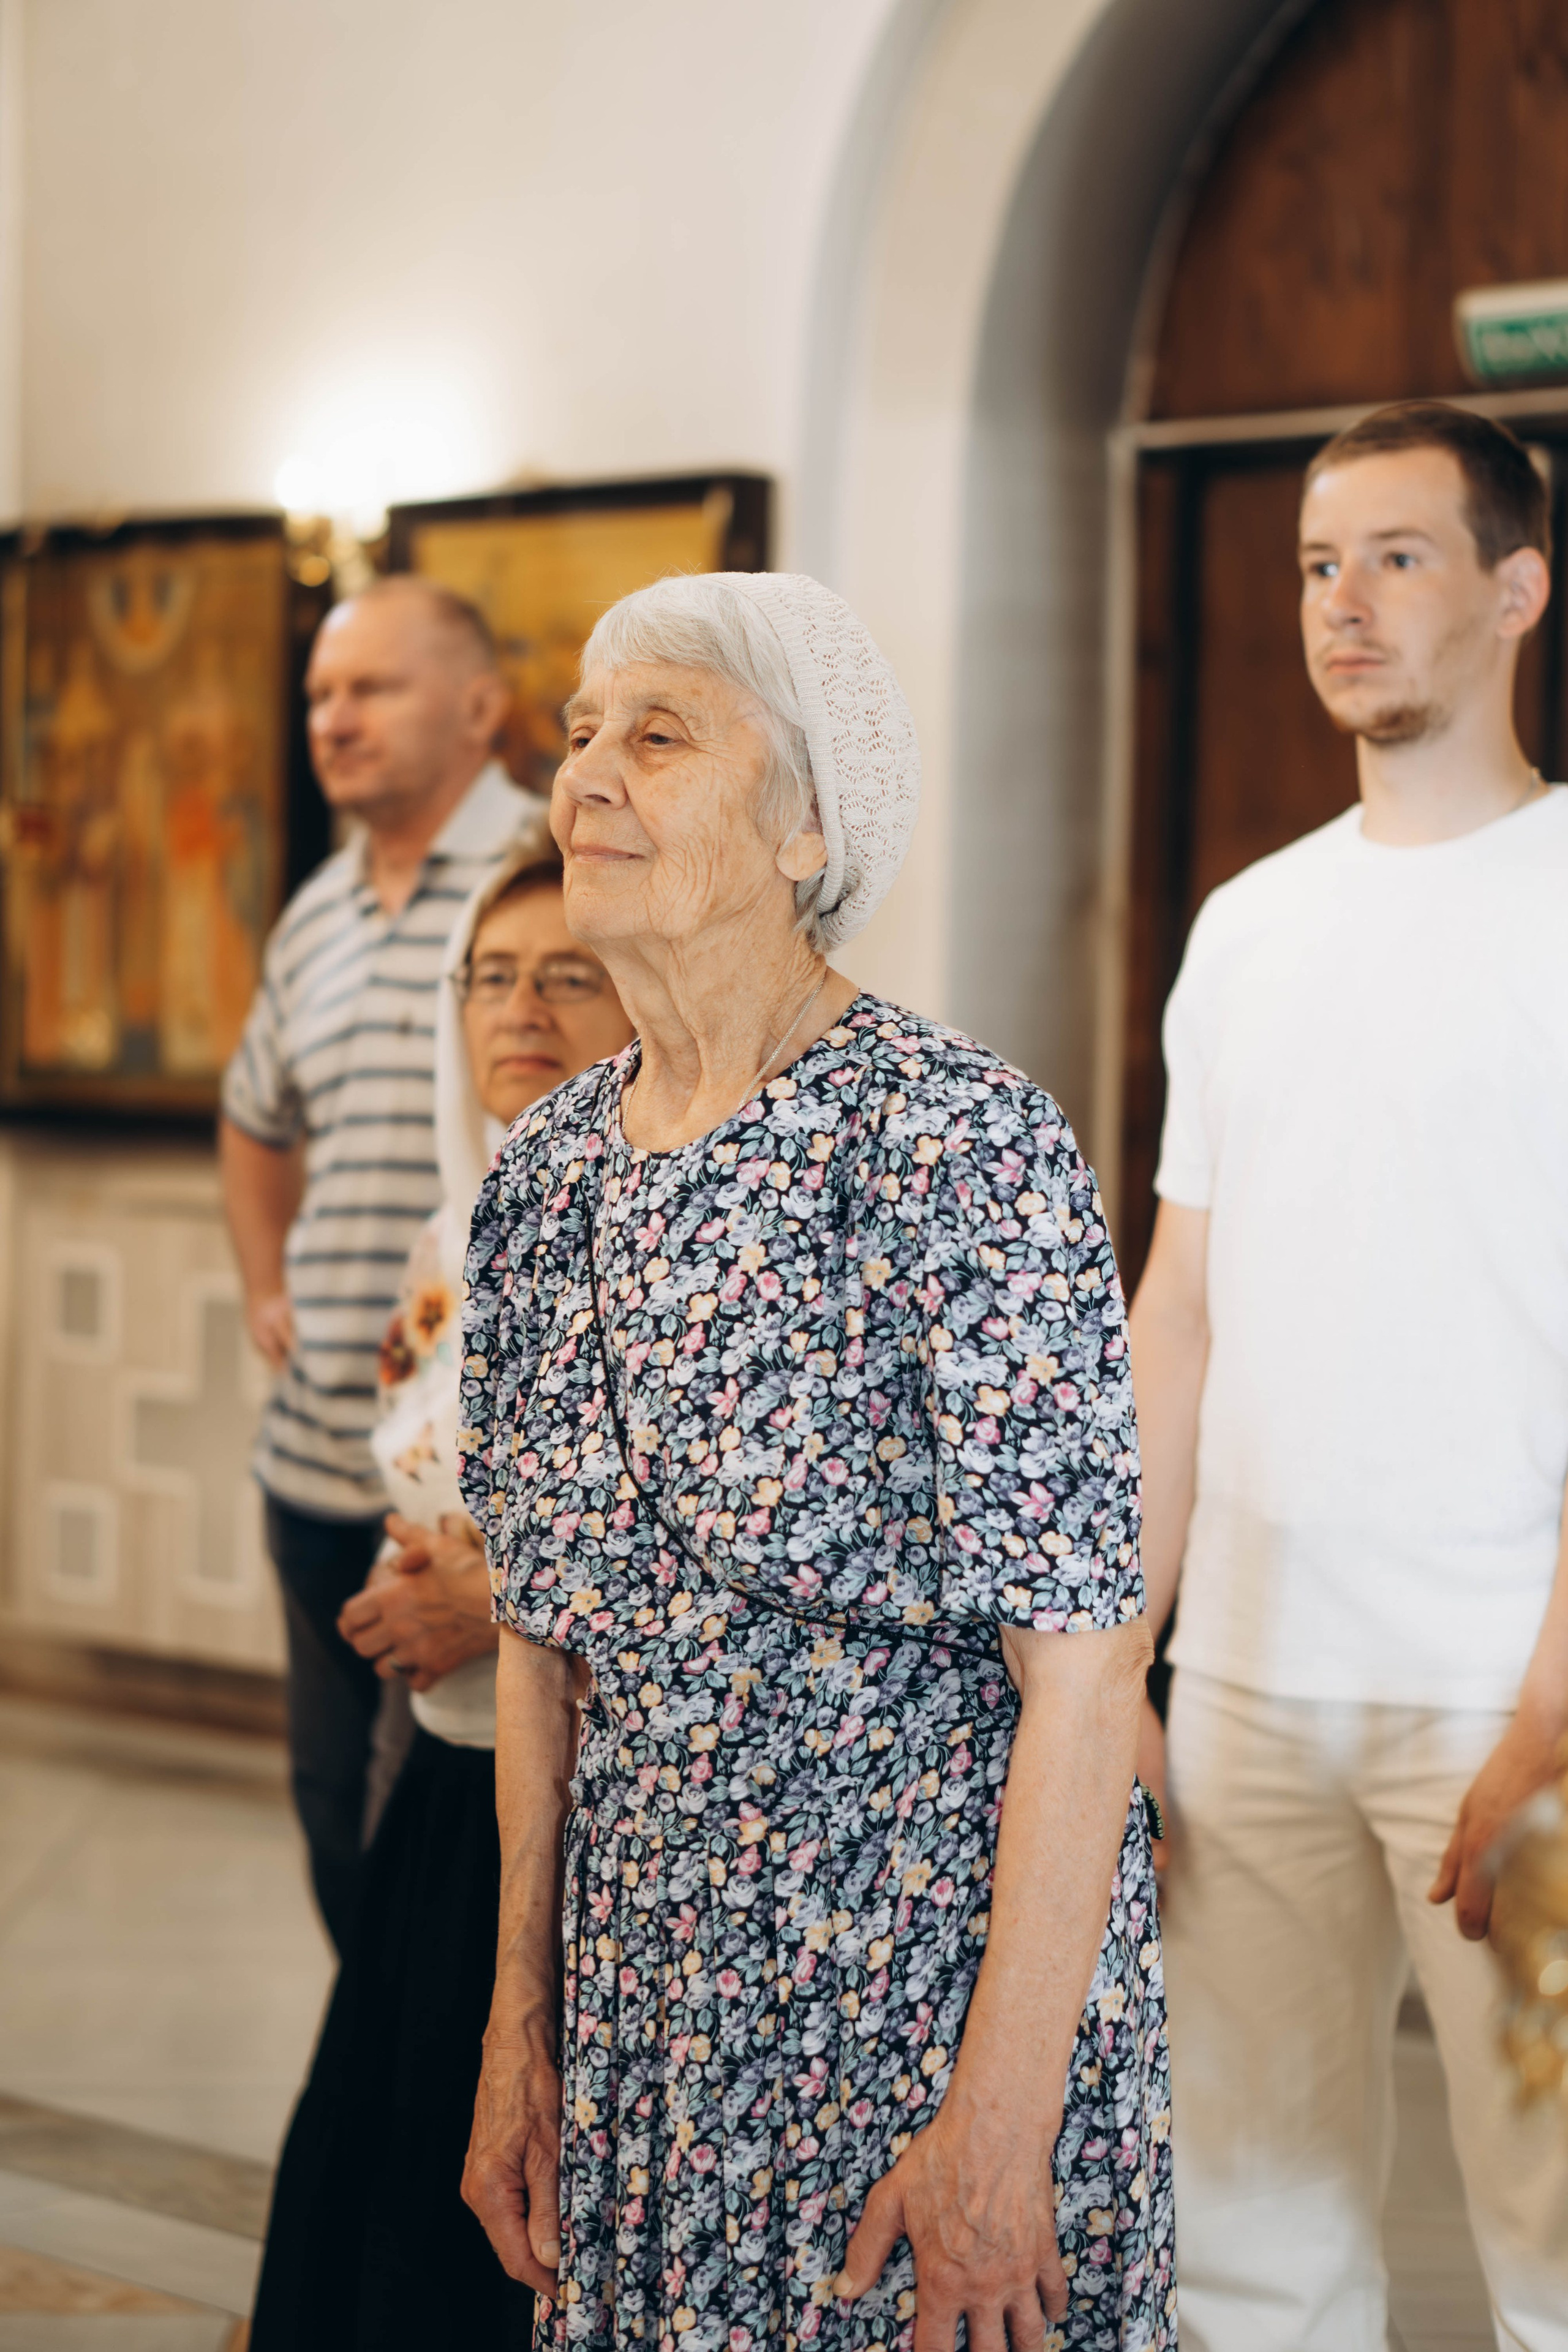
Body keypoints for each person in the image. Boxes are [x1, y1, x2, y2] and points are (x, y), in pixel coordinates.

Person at [457, 572, 1174, 2352]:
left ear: (807, 833)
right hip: (650, 2008)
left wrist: (1002, 2126)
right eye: (578, 739)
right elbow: (540, 1638)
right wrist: (516, 2023)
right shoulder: (544, 1179)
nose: (591, 778)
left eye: (662, 735)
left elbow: (1088, 1681)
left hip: (926, 2004)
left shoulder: (963, 1146)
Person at [1129, 401, 1568, 2351]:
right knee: (1244, 2234)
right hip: (1240, 1680)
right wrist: (1116, 1666)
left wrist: (1561, 1694)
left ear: (1518, 588)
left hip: (1508, 1681)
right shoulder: (1248, 927)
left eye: (1398, 556)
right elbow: (1179, 1318)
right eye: (1318, 564)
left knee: (1554, 2228)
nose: (1345, 605)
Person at [250, 831, 635, 2351]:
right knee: (382, 2182)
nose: (517, 1009)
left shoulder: (653, 1239)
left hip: (597, 1813)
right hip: (451, 1782)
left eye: (567, 976)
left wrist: (490, 1603)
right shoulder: (454, 1230)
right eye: (490, 976)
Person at [221, 576, 538, 1951]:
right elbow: (252, 1117)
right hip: (310, 1463)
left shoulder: (543, 879)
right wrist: (262, 1285)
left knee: (443, 1862)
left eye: (370, 689)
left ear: (478, 708)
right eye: (318, 696)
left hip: (466, 1493)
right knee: (332, 1834)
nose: (332, 720)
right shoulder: (317, 910)